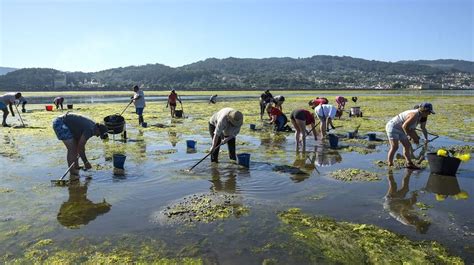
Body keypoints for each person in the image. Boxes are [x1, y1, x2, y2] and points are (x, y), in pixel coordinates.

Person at [52, 112, 109, 177]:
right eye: (99, 134)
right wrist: (86, 162)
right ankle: (72, 172)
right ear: (98, 130)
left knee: (75, 147)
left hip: (65, 121)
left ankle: (76, 167)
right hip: (60, 123)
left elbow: (79, 144)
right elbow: (81, 147)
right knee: (72, 149)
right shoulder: (90, 129)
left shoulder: (93, 126)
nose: (97, 136)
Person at [385, 103, 435, 169]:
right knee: (395, 147)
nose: (429, 114)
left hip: (402, 128)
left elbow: (416, 128)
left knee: (407, 146)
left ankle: (409, 163)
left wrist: (418, 138)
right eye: (429, 112)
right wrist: (411, 137)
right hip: (393, 127)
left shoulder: (423, 116)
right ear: (424, 110)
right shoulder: (414, 114)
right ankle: (390, 164)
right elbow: (405, 126)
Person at [384, 169, 431, 234]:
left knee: (393, 185)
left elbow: (403, 212)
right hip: (396, 204)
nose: (424, 221)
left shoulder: (410, 222)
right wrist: (410, 202)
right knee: (406, 188)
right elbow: (408, 209)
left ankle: (389, 171)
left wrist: (410, 202)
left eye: (424, 223)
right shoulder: (415, 221)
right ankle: (408, 171)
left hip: (391, 204)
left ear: (419, 225)